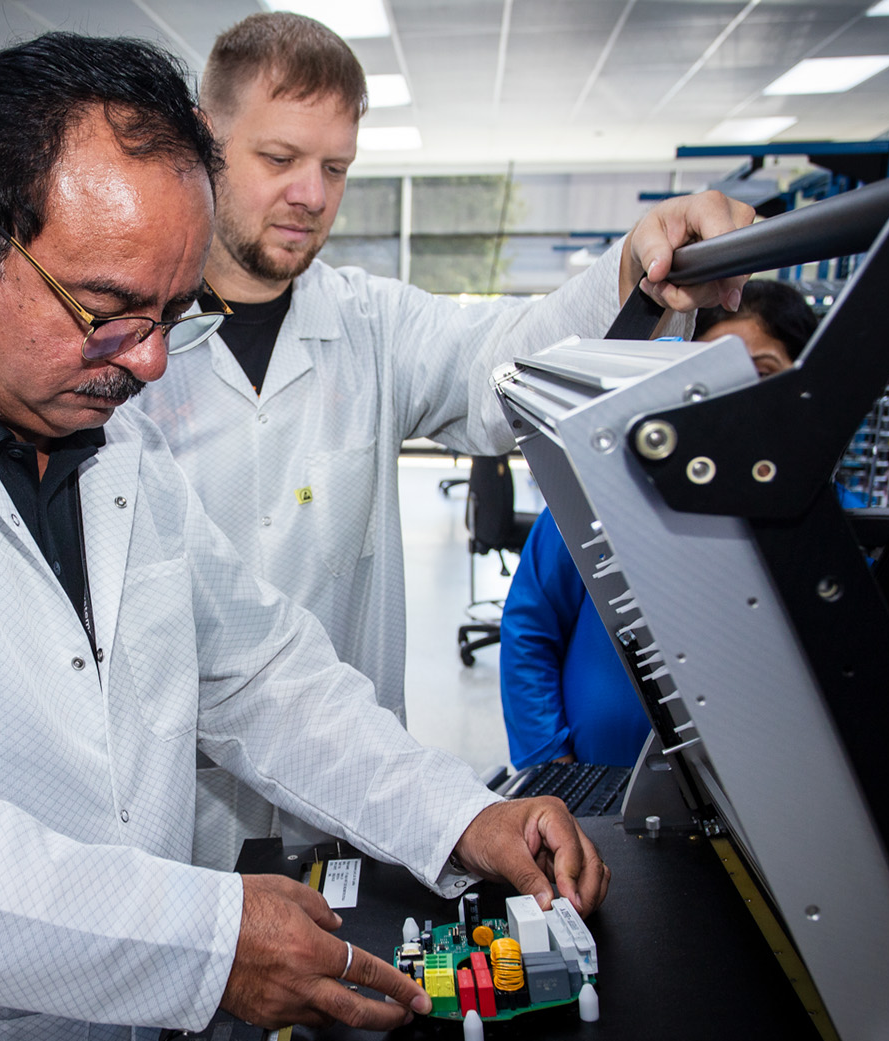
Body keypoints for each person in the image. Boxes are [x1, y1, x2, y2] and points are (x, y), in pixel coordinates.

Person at [0, 33, 609, 1041]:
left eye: (171, 313)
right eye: (109, 311)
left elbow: (258, 673)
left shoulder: (112, 438)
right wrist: (204, 939)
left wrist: (459, 813)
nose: (152, 361)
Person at [130, 12, 756, 869]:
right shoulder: (125, 345)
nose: (311, 194)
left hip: (351, 802)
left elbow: (508, 361)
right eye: (279, 159)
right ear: (208, 141)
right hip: (178, 815)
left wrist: (633, 270)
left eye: (336, 168)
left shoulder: (369, 325)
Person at [498, 279, 819, 769]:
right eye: (713, 378)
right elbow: (531, 627)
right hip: (587, 789)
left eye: (761, 372)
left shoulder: (826, 522)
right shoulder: (602, 488)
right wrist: (549, 762)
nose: (737, 400)